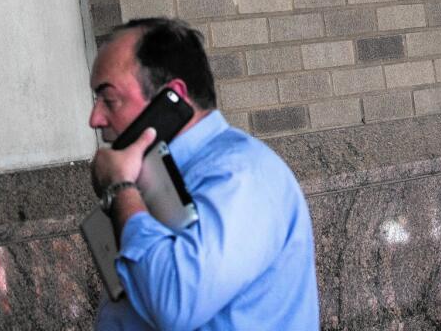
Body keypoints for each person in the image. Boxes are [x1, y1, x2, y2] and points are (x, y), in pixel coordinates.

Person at [88, 17, 319, 330]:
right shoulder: (154, 176)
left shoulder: (242, 177)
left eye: (110, 100)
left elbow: (176, 302)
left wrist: (119, 190)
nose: (95, 118)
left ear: (172, 96)